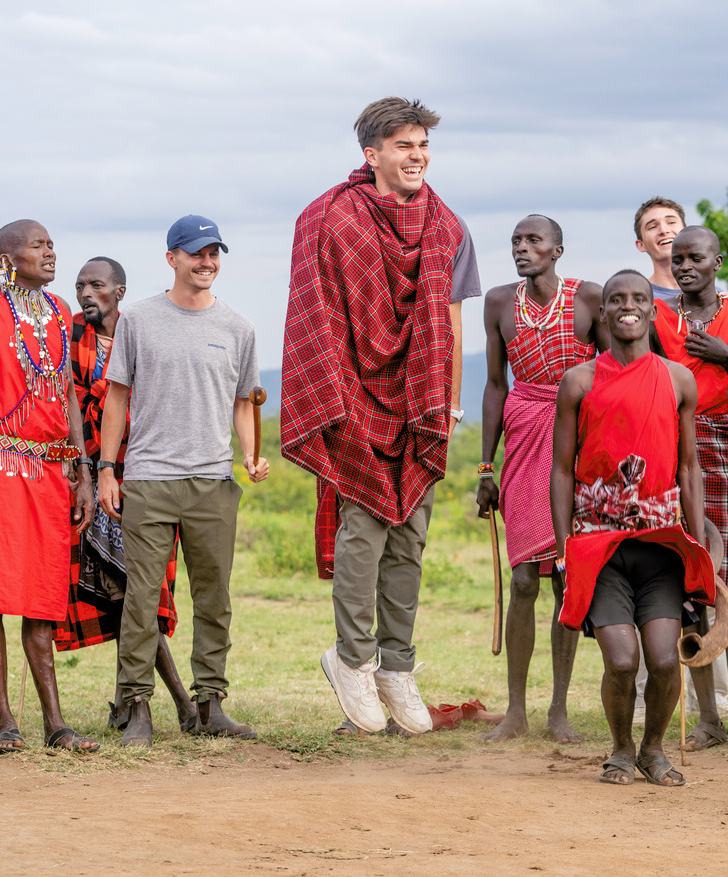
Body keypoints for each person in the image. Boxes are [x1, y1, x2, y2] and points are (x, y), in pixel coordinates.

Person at [281, 97, 481, 736]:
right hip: (352, 397)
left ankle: (397, 667)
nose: (417, 156)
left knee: (411, 538)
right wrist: (333, 398)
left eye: (423, 145)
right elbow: (313, 313)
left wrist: (449, 402)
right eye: (403, 145)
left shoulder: (448, 227)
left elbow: (451, 322)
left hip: (420, 400)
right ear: (372, 154)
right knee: (364, 533)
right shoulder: (330, 217)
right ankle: (352, 659)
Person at [97, 216, 268, 747]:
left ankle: (210, 704)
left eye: (214, 253)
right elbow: (117, 397)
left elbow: (243, 403)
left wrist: (250, 456)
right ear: (171, 258)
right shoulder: (139, 319)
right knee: (141, 598)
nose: (206, 262)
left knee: (214, 597)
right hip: (149, 479)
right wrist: (107, 468)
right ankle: (136, 708)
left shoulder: (238, 327)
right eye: (196, 253)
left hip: (213, 482)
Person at [553, 269, 722, 786]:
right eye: (617, 300)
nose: (628, 306)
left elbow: (689, 467)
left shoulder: (678, 379)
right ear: (603, 312)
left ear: (652, 310)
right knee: (623, 661)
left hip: (662, 544)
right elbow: (561, 470)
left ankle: (653, 751)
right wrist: (563, 551)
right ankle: (622, 749)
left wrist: (699, 547)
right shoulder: (579, 382)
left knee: (666, 661)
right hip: (599, 545)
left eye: (639, 299)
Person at [0, 220, 99, 754]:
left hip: (50, 473)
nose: (51, 252)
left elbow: (68, 394)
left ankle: (55, 723)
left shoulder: (59, 311)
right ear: (8, 259)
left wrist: (82, 471)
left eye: (52, 244)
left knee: (44, 597)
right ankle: (5, 722)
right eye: (39, 245)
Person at [56, 257, 196, 734]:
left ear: (119, 291)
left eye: (96, 285)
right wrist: (88, 473)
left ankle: (147, 703)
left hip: (150, 476)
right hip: (93, 479)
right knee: (122, 594)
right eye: (80, 286)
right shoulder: (72, 336)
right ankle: (163, 705)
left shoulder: (143, 331)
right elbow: (69, 408)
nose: (85, 294)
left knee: (141, 594)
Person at [476, 214, 602, 743]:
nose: (521, 248)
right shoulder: (498, 302)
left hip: (580, 440)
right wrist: (486, 467)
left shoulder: (590, 298)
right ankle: (516, 711)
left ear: (557, 250)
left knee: (566, 579)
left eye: (533, 240)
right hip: (526, 440)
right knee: (525, 578)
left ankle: (559, 710)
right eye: (516, 241)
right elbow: (495, 385)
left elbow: (615, 370)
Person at [650, 225, 728, 751]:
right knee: (692, 589)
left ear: (718, 261)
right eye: (678, 259)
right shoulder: (657, 316)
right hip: (678, 452)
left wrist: (726, 356)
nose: (685, 266)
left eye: (696, 257)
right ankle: (708, 718)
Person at [634, 197, 687, 302]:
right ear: (641, 245)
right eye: (652, 227)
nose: (663, 230)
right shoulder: (637, 300)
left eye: (671, 222)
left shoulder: (715, 297)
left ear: (687, 232)